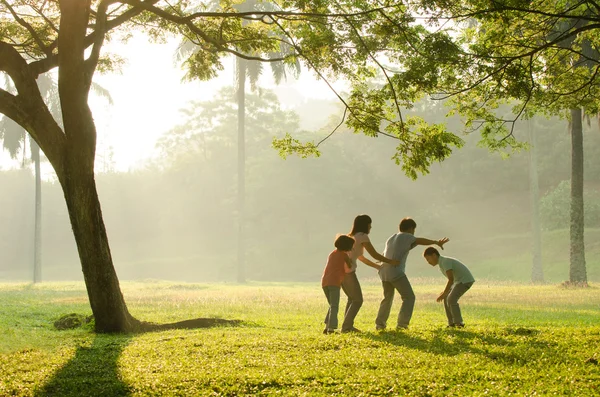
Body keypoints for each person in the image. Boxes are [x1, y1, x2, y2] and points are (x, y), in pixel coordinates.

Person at [375, 217, 449, 330]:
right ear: (410, 229)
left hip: (384, 272)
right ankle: (402, 325)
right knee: (409, 297)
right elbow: (419, 241)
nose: (414, 233)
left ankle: (380, 324)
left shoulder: (391, 238)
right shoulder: (406, 236)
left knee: (387, 298)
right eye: (414, 230)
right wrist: (435, 242)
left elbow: (385, 254)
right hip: (396, 272)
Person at [342, 214, 399, 333]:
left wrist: (377, 266)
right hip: (348, 272)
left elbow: (361, 257)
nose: (371, 227)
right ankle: (346, 327)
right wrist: (390, 261)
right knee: (357, 300)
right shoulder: (363, 237)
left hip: (342, 271)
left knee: (352, 299)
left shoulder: (352, 236)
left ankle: (347, 326)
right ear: (365, 225)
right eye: (369, 225)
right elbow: (374, 254)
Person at [423, 247, 475, 328]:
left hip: (465, 280)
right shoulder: (442, 263)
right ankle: (451, 323)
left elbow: (451, 279)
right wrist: (446, 292)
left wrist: (445, 292)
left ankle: (459, 323)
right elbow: (452, 279)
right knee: (446, 297)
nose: (428, 262)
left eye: (428, 259)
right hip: (458, 281)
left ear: (434, 255)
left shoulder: (445, 262)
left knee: (451, 299)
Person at [321, 234, 355, 334]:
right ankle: (331, 328)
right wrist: (351, 258)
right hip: (334, 282)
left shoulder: (332, 253)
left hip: (325, 282)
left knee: (332, 305)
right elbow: (350, 266)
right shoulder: (344, 255)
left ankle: (327, 326)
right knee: (335, 305)